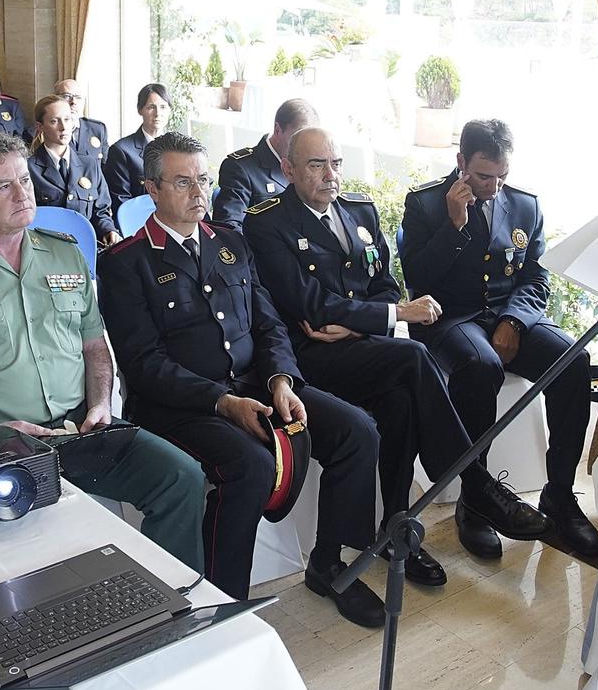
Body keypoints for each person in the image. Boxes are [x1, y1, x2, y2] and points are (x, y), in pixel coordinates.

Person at [100, 133, 385, 624]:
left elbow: (268, 323)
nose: (198, 193)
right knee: (249, 465)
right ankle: (219, 603)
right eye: (182, 182)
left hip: (257, 384)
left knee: (358, 431)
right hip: (180, 405)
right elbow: (144, 363)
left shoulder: (231, 243)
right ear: (151, 188)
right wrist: (222, 402)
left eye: (203, 180)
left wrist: (280, 380)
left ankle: (329, 563)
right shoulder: (126, 262)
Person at [0, 132, 208, 575]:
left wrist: (101, 403)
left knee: (181, 478)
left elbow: (94, 345)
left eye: (24, 180)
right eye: (3, 186)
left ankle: (173, 602)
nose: (23, 193)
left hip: (79, 425)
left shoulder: (64, 254)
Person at [246, 127, 543, 579]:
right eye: (315, 165)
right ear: (287, 169)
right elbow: (308, 304)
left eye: (336, 163)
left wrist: (360, 318)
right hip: (309, 354)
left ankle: (394, 531)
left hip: (362, 345)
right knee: (412, 359)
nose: (331, 175)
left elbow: (384, 283)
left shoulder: (359, 210)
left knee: (402, 399)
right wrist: (390, 314)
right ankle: (475, 484)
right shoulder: (267, 222)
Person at [400, 120, 598, 564]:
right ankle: (477, 496)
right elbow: (418, 281)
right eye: (484, 175)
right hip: (448, 316)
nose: (494, 186)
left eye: (502, 176)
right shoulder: (425, 205)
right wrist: (454, 227)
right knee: (481, 365)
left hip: (505, 314)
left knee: (574, 359)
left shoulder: (525, 206)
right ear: (461, 164)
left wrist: (514, 319)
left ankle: (560, 495)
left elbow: (536, 276)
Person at [28, 92, 118, 242]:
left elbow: (101, 210)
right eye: (54, 121)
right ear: (40, 127)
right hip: (48, 250)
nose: (63, 127)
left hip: (87, 246)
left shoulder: (89, 164)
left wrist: (108, 230)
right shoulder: (29, 169)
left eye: (67, 119)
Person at [214, 98, 315, 227]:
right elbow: (229, 226)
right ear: (278, 129)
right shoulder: (240, 168)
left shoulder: (308, 167)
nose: (305, 146)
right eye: (297, 137)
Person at [104, 82, 168, 205]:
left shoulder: (177, 148)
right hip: (140, 221)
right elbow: (121, 202)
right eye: (151, 107)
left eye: (163, 107)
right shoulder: (121, 151)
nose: (158, 113)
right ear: (140, 110)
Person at [54, 77, 109, 164]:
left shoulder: (97, 129)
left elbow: (105, 166)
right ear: (55, 99)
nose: (73, 102)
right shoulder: (45, 131)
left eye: (78, 97)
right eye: (66, 96)